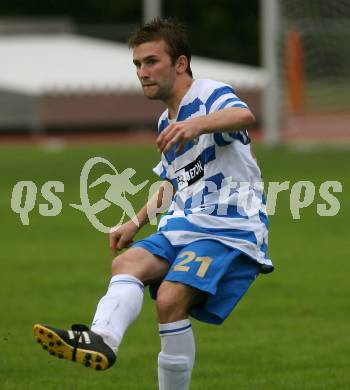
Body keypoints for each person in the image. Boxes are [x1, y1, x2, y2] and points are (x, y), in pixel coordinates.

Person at [33, 18, 273, 389]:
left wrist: (198, 125)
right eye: (137, 65)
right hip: (186, 222)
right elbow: (174, 182)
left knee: (170, 300)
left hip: (228, 227)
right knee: (126, 262)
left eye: (151, 62)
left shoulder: (209, 93)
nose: (143, 73)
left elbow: (244, 115)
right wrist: (135, 221)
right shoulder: (165, 122)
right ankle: (102, 340)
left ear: (180, 63)